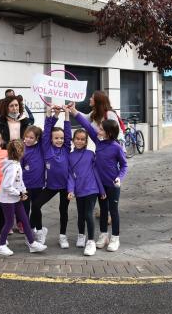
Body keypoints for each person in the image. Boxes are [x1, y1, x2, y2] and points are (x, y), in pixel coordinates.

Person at [71, 102, 128, 252]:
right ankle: (104, 235)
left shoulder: (116, 147)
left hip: (113, 185)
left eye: (101, 129)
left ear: (109, 132)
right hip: (99, 185)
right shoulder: (98, 142)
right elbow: (88, 127)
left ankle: (115, 238)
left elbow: (124, 166)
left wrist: (119, 178)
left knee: (113, 211)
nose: (98, 130)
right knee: (103, 210)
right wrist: (74, 112)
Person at [0, 139, 47, 256]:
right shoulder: (12, 167)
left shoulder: (16, 163)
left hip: (15, 198)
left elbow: (19, 180)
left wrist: (23, 191)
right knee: (9, 222)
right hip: (8, 200)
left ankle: (32, 243)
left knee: (24, 220)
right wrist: (19, 193)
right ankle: (1, 245)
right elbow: (7, 186)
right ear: (21, 152)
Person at [30, 105, 72, 249]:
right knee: (35, 205)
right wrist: (50, 113)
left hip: (65, 186)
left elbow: (67, 133)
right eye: (56, 138)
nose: (59, 140)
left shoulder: (66, 148)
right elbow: (47, 131)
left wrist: (67, 115)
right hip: (51, 186)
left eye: (61, 138)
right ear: (51, 139)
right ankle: (41, 231)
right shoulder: (46, 148)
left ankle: (63, 236)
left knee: (63, 211)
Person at [67, 127, 105, 255]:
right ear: (73, 140)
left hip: (91, 189)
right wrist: (71, 190)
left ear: (86, 141)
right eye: (77, 139)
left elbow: (96, 172)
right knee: (81, 215)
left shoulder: (90, 154)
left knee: (89, 214)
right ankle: (81, 235)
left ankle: (91, 241)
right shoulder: (70, 156)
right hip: (79, 190)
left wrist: (101, 190)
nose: (80, 141)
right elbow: (71, 175)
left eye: (83, 139)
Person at [20, 126, 45, 234]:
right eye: (26, 137)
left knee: (36, 208)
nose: (28, 139)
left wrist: (52, 116)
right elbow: (18, 167)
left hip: (38, 185)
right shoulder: (22, 148)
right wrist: (24, 170)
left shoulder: (40, 147)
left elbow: (46, 133)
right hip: (25, 186)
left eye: (31, 137)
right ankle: (26, 228)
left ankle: (33, 227)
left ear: (37, 138)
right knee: (25, 209)